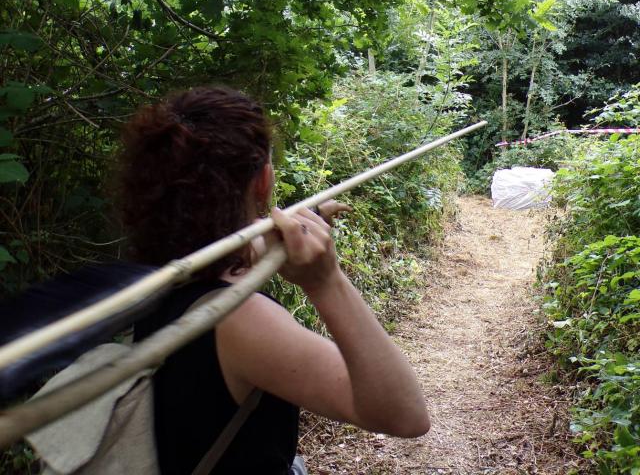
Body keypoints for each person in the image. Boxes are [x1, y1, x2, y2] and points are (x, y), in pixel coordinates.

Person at [117, 86, 430, 474]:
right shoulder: (241, 321)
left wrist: (291, 232)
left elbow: (237, 261)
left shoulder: (158, 278)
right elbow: (404, 414)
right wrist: (326, 281)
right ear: (263, 179)